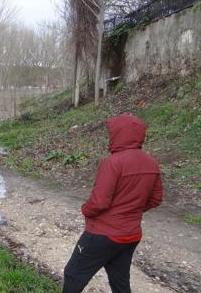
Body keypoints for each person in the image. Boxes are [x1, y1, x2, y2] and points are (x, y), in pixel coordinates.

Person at [62, 114, 163, 293]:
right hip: (130, 235)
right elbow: (155, 199)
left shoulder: (113, 163)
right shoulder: (152, 163)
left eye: (112, 133)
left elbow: (99, 203)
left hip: (103, 234)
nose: (110, 136)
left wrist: (85, 210)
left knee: (73, 274)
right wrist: (133, 210)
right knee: (120, 282)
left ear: (119, 134)